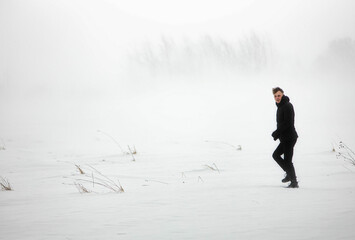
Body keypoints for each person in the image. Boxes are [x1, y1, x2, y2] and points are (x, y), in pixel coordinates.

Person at [271, 87, 299, 188]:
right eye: (275, 96)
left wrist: (277, 132)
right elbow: (282, 124)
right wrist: (278, 134)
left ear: (282, 94)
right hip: (285, 138)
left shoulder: (287, 106)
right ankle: (289, 175)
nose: (277, 97)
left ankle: (294, 181)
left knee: (287, 160)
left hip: (290, 137)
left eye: (278, 95)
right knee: (276, 155)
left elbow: (288, 122)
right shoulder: (280, 106)